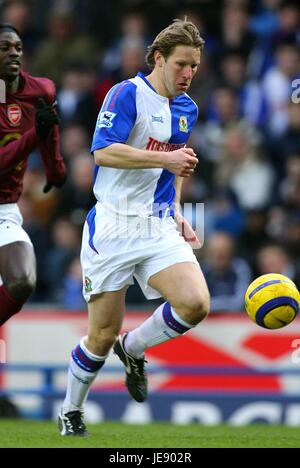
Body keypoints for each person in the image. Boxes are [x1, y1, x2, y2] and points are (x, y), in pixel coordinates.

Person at [59, 19, 210, 437]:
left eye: (194, 67)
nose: (188, 74)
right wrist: (166, 161)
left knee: (195, 303)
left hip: (156, 223)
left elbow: (176, 164)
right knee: (101, 335)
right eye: (181, 64)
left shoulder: (187, 108)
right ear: (158, 59)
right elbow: (104, 153)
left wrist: (178, 210)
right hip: (113, 223)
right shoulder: (127, 93)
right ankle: (71, 410)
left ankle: (135, 347)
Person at [0, 24, 66, 327]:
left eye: (18, 48)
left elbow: (48, 125)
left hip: (5, 211)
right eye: (5, 48)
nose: (14, 53)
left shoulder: (40, 90)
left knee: (23, 281)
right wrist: (32, 136)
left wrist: (56, 169)